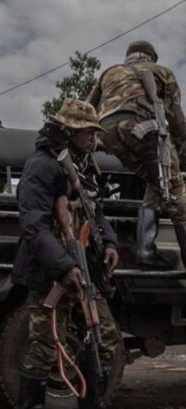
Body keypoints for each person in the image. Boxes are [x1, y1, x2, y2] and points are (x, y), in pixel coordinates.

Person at [12, 99, 131, 409]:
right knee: (44, 346)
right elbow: (33, 224)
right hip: (50, 272)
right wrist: (64, 267)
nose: (95, 138)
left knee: (104, 338)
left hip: (86, 269)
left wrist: (109, 243)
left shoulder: (83, 166)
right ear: (71, 130)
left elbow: (97, 211)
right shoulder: (41, 166)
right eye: (90, 132)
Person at [87, 40, 186, 268]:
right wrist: (181, 151)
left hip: (108, 133)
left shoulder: (109, 73)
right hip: (141, 127)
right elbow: (176, 117)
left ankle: (145, 251)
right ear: (151, 57)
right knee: (176, 188)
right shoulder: (161, 72)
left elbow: (88, 106)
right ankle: (150, 251)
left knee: (155, 180)